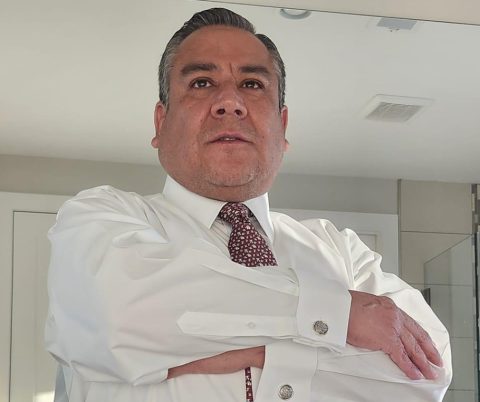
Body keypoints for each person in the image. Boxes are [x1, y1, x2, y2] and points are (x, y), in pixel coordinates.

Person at [45, 7, 452, 402]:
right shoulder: (100, 218)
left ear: (282, 126)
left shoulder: (339, 249)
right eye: (202, 82)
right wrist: (340, 317)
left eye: (252, 85)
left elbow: (429, 371)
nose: (230, 102)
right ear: (160, 122)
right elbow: (120, 317)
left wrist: (239, 351)